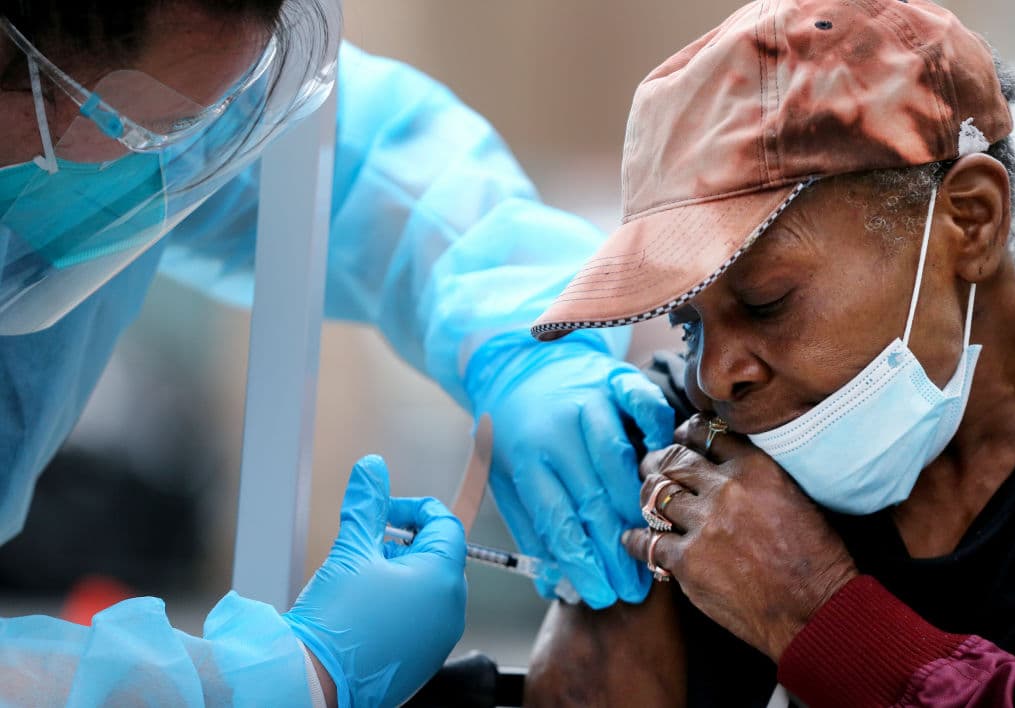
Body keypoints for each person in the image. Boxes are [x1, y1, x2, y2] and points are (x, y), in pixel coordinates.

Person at [0, 0, 675, 705]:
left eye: (189, 127)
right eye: (151, 132)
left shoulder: (178, 76)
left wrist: (534, 345)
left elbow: (360, 162)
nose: (180, 153)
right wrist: (275, 682)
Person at [525, 0, 1015, 705]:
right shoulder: (696, 455)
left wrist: (816, 614)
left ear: (970, 222)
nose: (715, 376)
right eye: (689, 323)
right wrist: (599, 570)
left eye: (767, 302)